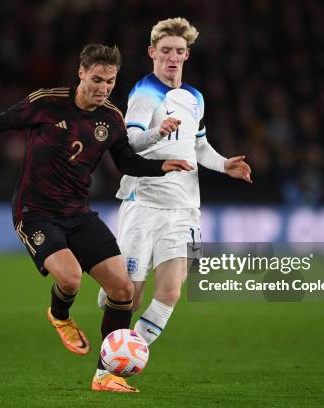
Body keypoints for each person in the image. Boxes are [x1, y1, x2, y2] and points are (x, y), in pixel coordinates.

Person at [0, 44, 193, 393]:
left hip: (77, 212)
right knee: (70, 279)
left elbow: (127, 164)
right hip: (35, 212)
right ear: (81, 73)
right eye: (97, 80)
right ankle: (59, 314)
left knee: (122, 289)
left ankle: (106, 375)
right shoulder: (47, 101)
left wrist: (162, 166)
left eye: (110, 82)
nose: (103, 88)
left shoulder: (111, 119)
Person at [97, 18, 252, 345]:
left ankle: (128, 354)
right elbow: (129, 143)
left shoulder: (195, 97)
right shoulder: (145, 92)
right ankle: (113, 290)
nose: (172, 57)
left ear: (187, 55)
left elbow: (198, 145)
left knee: (171, 290)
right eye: (165, 50)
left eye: (179, 51)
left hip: (184, 208)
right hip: (145, 204)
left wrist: (225, 165)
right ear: (152, 52)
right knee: (131, 296)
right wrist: (158, 132)